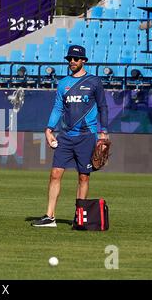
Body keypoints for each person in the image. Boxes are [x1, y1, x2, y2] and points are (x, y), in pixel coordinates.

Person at [33, 45, 109, 228]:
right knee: (55, 174)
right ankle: (50, 217)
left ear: (84, 60)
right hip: (65, 136)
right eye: (69, 59)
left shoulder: (94, 81)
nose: (72, 62)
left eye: (76, 59)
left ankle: (80, 216)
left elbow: (103, 107)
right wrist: (49, 129)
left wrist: (104, 132)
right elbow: (58, 108)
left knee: (83, 177)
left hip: (86, 136)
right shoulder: (63, 83)